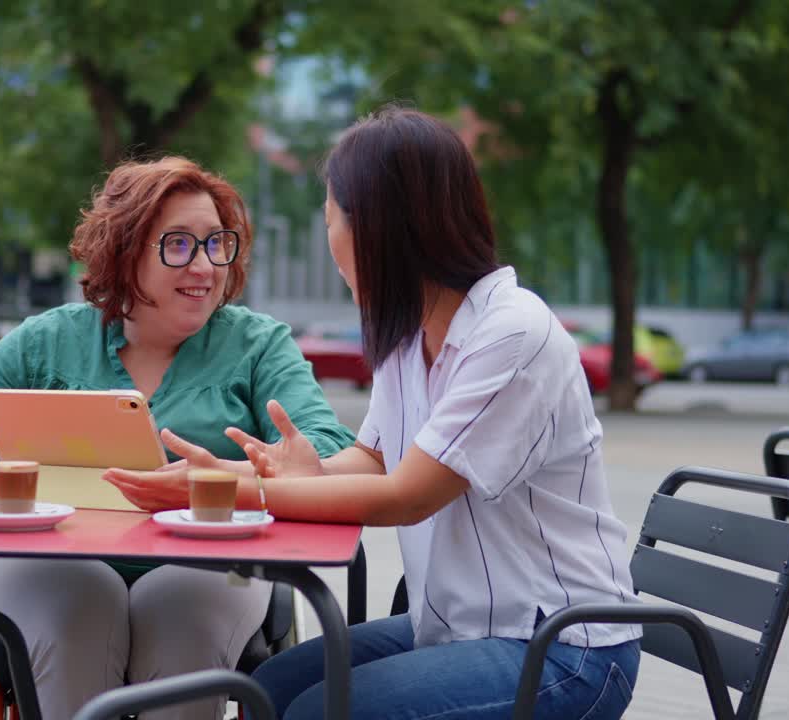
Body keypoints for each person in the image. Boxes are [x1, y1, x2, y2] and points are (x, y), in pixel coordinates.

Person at [108, 108, 641, 719]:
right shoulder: (412, 334)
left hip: (562, 648)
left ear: (383, 228)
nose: (330, 242)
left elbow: (405, 495)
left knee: (315, 713)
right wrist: (233, 478)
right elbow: (373, 458)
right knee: (274, 687)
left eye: (332, 217)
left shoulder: (511, 336)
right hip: (457, 623)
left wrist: (235, 493)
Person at [0, 156, 356, 720]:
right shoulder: (44, 343)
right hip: (53, 562)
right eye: (177, 245)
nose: (204, 265)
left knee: (182, 614)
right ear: (124, 252)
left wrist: (246, 476)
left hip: (212, 563)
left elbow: (327, 448)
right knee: (77, 608)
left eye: (215, 244)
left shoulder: (259, 346)